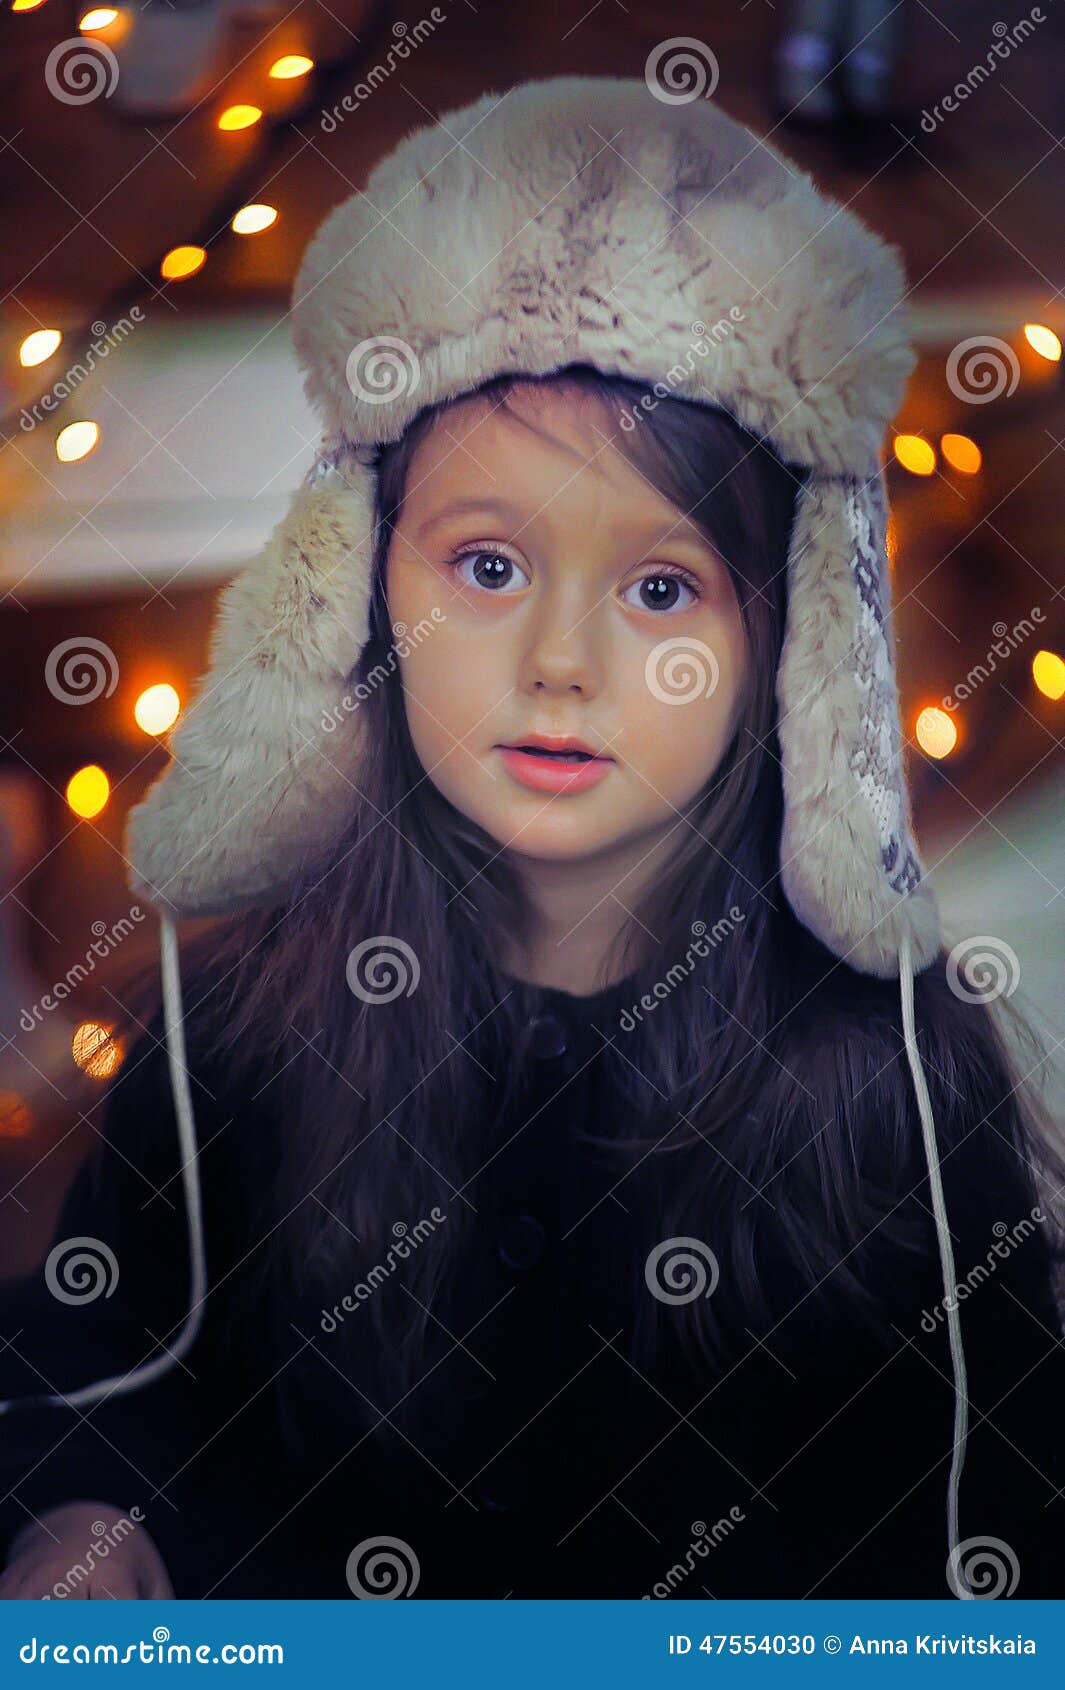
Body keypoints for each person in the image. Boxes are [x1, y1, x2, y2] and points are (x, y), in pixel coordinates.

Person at [3, 74, 1065, 1602]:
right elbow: (109, 1369)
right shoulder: (230, 1029)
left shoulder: (892, 1063)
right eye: (487, 564)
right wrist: (83, 1526)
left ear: (784, 649)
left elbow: (986, 1510)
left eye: (657, 589)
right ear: (364, 594)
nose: (560, 660)